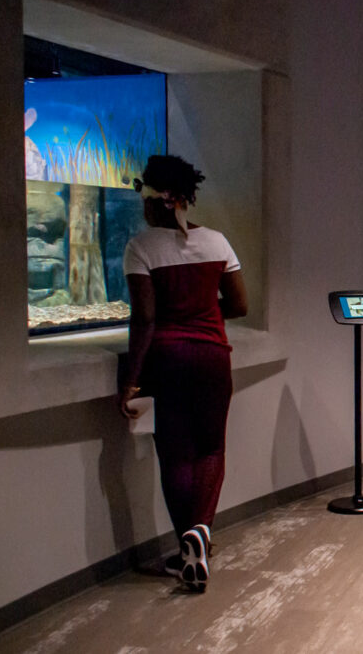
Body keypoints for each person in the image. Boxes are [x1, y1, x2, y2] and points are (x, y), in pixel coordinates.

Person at [116, 155, 247, 591]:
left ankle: (184, 543)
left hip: (167, 361)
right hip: (213, 357)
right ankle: (202, 533)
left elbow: (145, 319)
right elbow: (241, 306)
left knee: (175, 455)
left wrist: (131, 379)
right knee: (212, 449)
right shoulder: (218, 242)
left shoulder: (141, 247)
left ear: (154, 200)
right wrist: (205, 314)